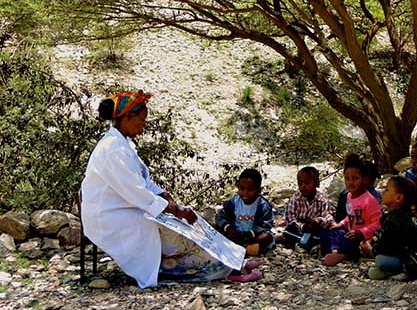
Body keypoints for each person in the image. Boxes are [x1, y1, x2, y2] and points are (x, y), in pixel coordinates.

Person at [81, 90, 220, 289]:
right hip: (109, 216)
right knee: (169, 233)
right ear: (128, 117)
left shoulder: (123, 145)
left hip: (123, 207)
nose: (143, 125)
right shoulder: (112, 149)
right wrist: (175, 210)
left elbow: (143, 182)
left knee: (178, 228)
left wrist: (164, 195)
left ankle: (206, 260)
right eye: (142, 119)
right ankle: (163, 267)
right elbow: (135, 191)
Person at [360, 176, 417, 280]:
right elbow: (382, 234)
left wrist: (371, 250)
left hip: (413, 260)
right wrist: (372, 240)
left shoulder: (396, 220)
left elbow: (387, 246)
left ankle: (404, 271)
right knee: (375, 272)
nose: (383, 192)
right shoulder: (402, 215)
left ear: (398, 198)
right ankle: (392, 272)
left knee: (380, 260)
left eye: (387, 189)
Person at [321, 155, 382, 266]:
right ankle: (335, 251)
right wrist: (340, 224)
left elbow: (378, 223)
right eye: (347, 179)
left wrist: (361, 232)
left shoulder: (369, 200)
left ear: (364, 179)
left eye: (355, 179)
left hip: (363, 238)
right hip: (350, 232)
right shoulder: (349, 196)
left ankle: (344, 255)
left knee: (349, 243)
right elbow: (351, 215)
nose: (350, 182)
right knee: (328, 233)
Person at [216, 168, 276, 257]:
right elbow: (221, 216)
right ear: (238, 186)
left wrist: (247, 234)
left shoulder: (263, 205)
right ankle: (244, 249)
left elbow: (264, 226)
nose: (245, 192)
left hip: (252, 236)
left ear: (258, 190)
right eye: (242, 188)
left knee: (267, 237)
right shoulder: (234, 201)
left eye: (250, 190)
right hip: (234, 234)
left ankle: (242, 249)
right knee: (214, 227)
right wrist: (228, 228)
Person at [279, 166, 334, 251]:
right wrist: (303, 226)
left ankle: (311, 245)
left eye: (307, 183)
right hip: (300, 227)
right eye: (300, 183)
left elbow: (328, 217)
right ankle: (297, 243)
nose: (303, 186)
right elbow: (290, 218)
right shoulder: (295, 198)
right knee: (289, 229)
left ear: (317, 184)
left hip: (315, 229)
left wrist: (319, 220)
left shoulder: (322, 200)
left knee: (325, 234)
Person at [334, 157, 382, 222]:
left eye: (355, 178)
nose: (351, 182)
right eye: (348, 178)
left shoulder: (372, 197)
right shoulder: (346, 195)